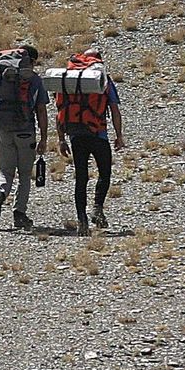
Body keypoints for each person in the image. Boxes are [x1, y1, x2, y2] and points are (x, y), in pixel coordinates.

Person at [55, 46, 124, 235]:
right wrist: (119, 135)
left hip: (76, 136)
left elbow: (60, 110)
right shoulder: (103, 79)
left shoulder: (69, 80)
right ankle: (97, 209)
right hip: (98, 134)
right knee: (104, 173)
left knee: (81, 178)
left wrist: (61, 139)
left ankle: (82, 220)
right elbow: (114, 110)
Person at [0, 44, 49, 231]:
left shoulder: (0, 76)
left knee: (5, 172)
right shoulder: (34, 80)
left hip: (3, 130)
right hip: (26, 131)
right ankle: (19, 214)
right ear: (32, 61)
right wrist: (44, 138)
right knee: (24, 175)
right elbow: (41, 110)